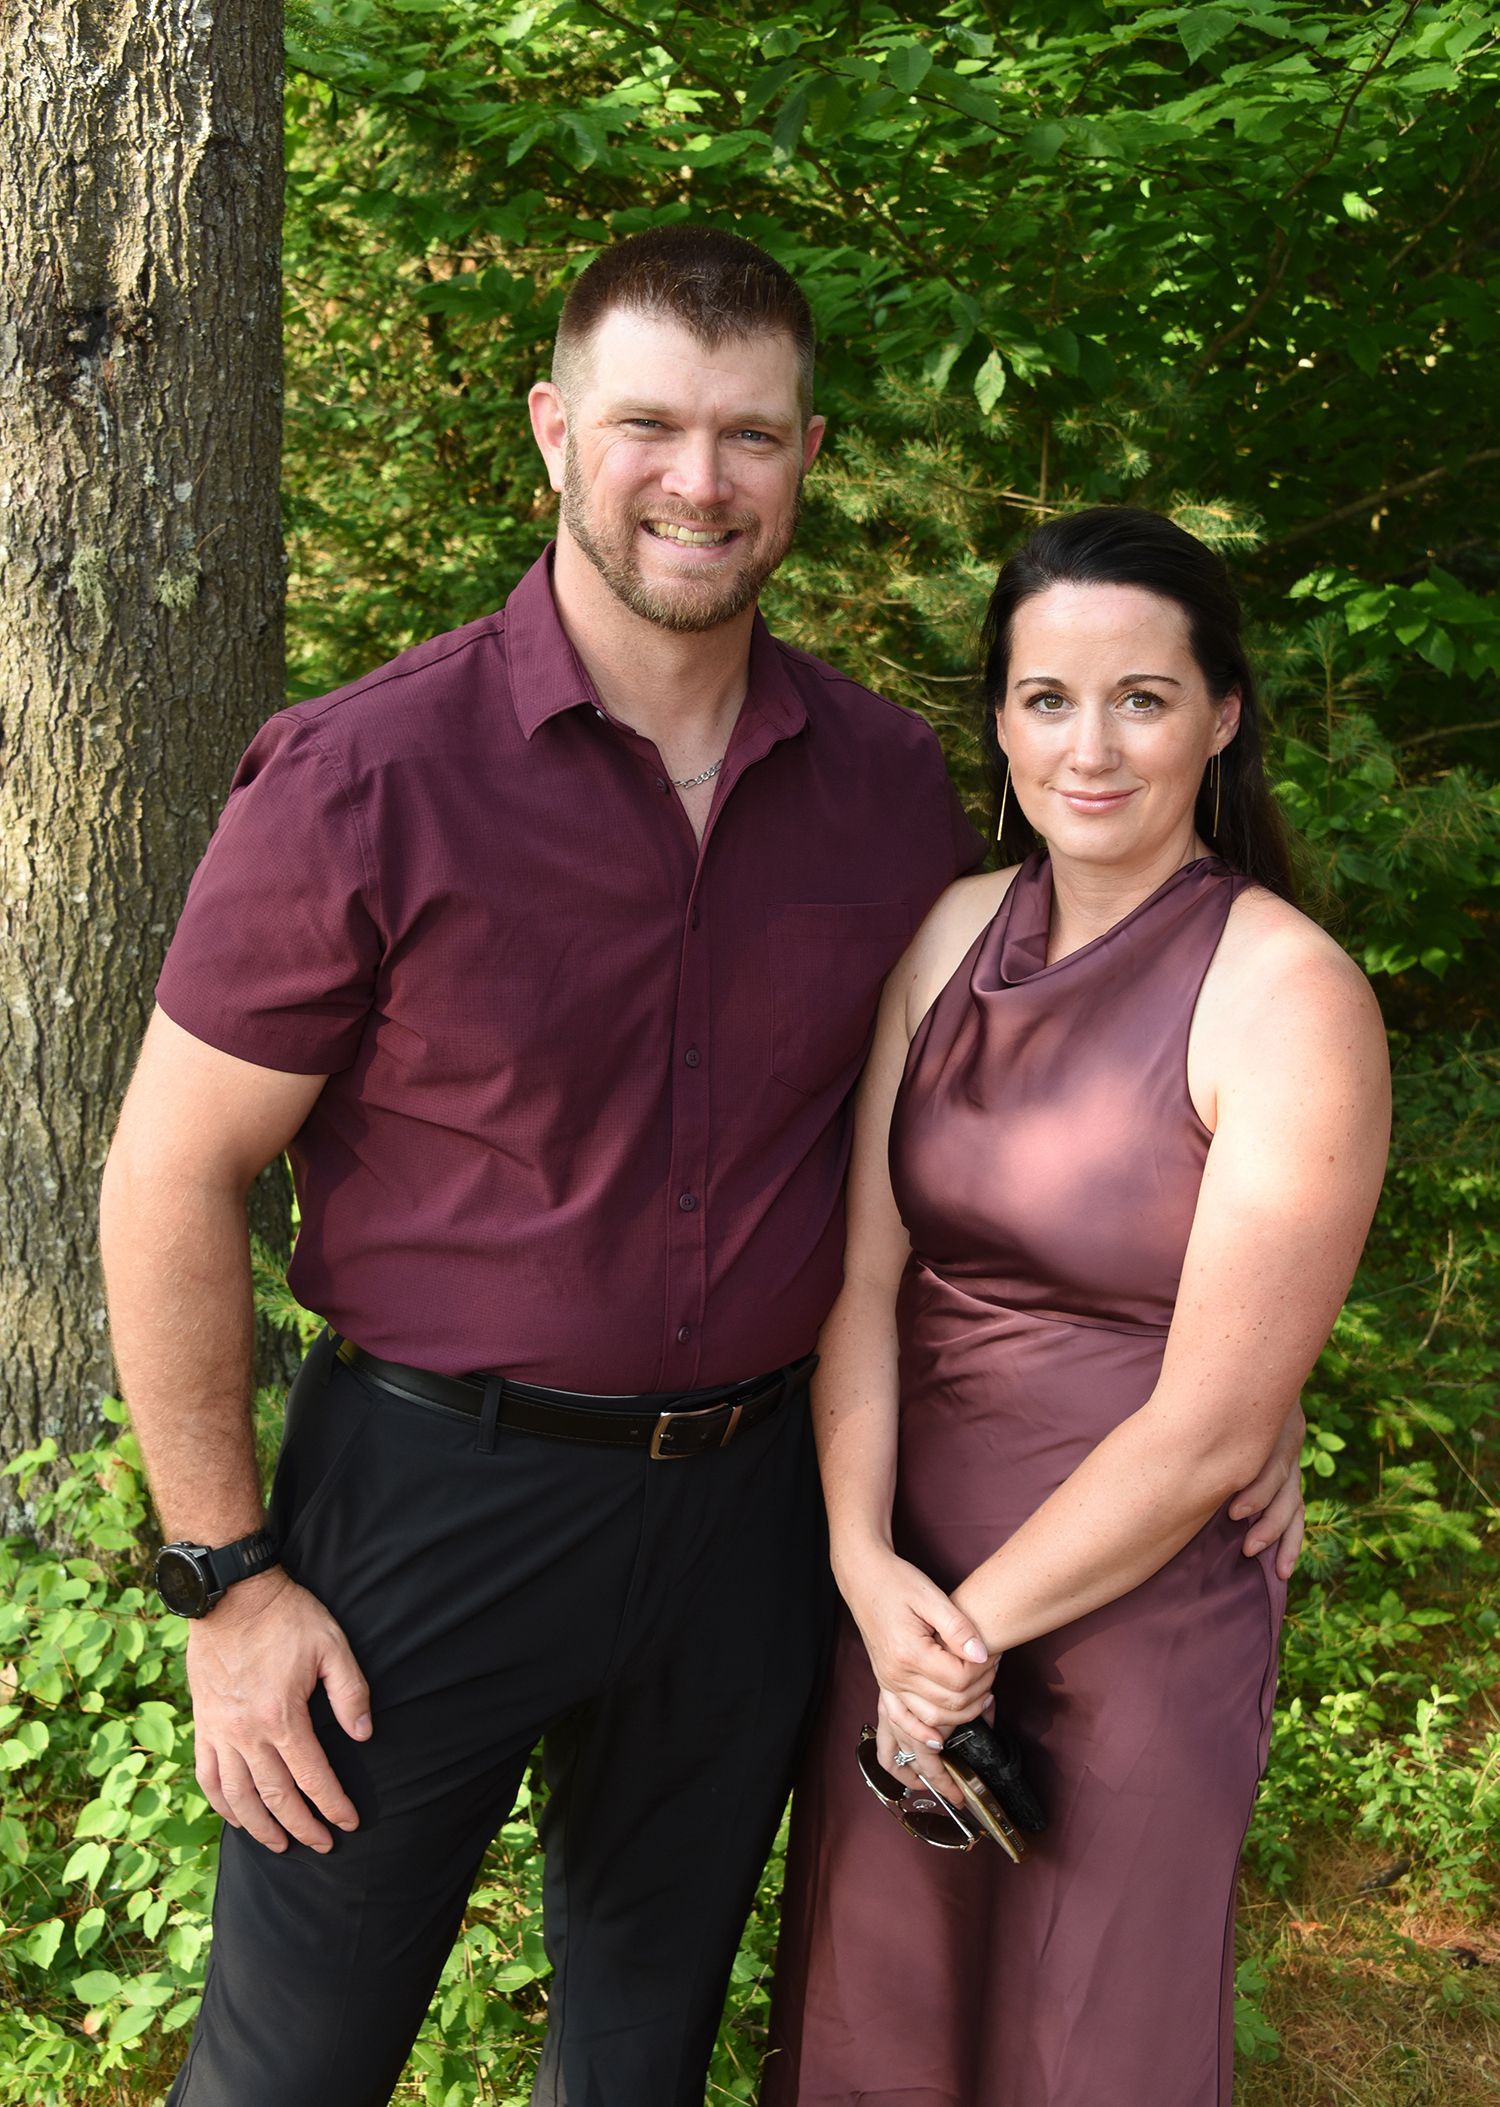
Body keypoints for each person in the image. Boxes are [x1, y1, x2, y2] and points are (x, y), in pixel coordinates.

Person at [99, 225, 1303, 2107]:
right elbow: (167, 1177)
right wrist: (229, 1580)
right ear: (554, 431)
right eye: (650, 422)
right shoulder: (363, 777)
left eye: (750, 435)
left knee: (644, 2058)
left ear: (807, 458)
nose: (699, 479)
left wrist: (1239, 1384)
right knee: (290, 2070)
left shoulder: (891, 788)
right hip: (430, 1504)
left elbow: (1006, 1120)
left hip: (750, 1523)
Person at [763, 507, 1390, 2107]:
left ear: (1223, 716)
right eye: (1048, 698)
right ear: (998, 715)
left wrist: (960, 1648)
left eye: (1143, 698)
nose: (1090, 747)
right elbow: (863, 1279)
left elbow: (1213, 1426)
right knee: (874, 2020)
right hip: (904, 1587)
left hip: (1134, 1614)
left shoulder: (1287, 994)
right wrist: (863, 1568)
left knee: (1085, 2037)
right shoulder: (950, 936)